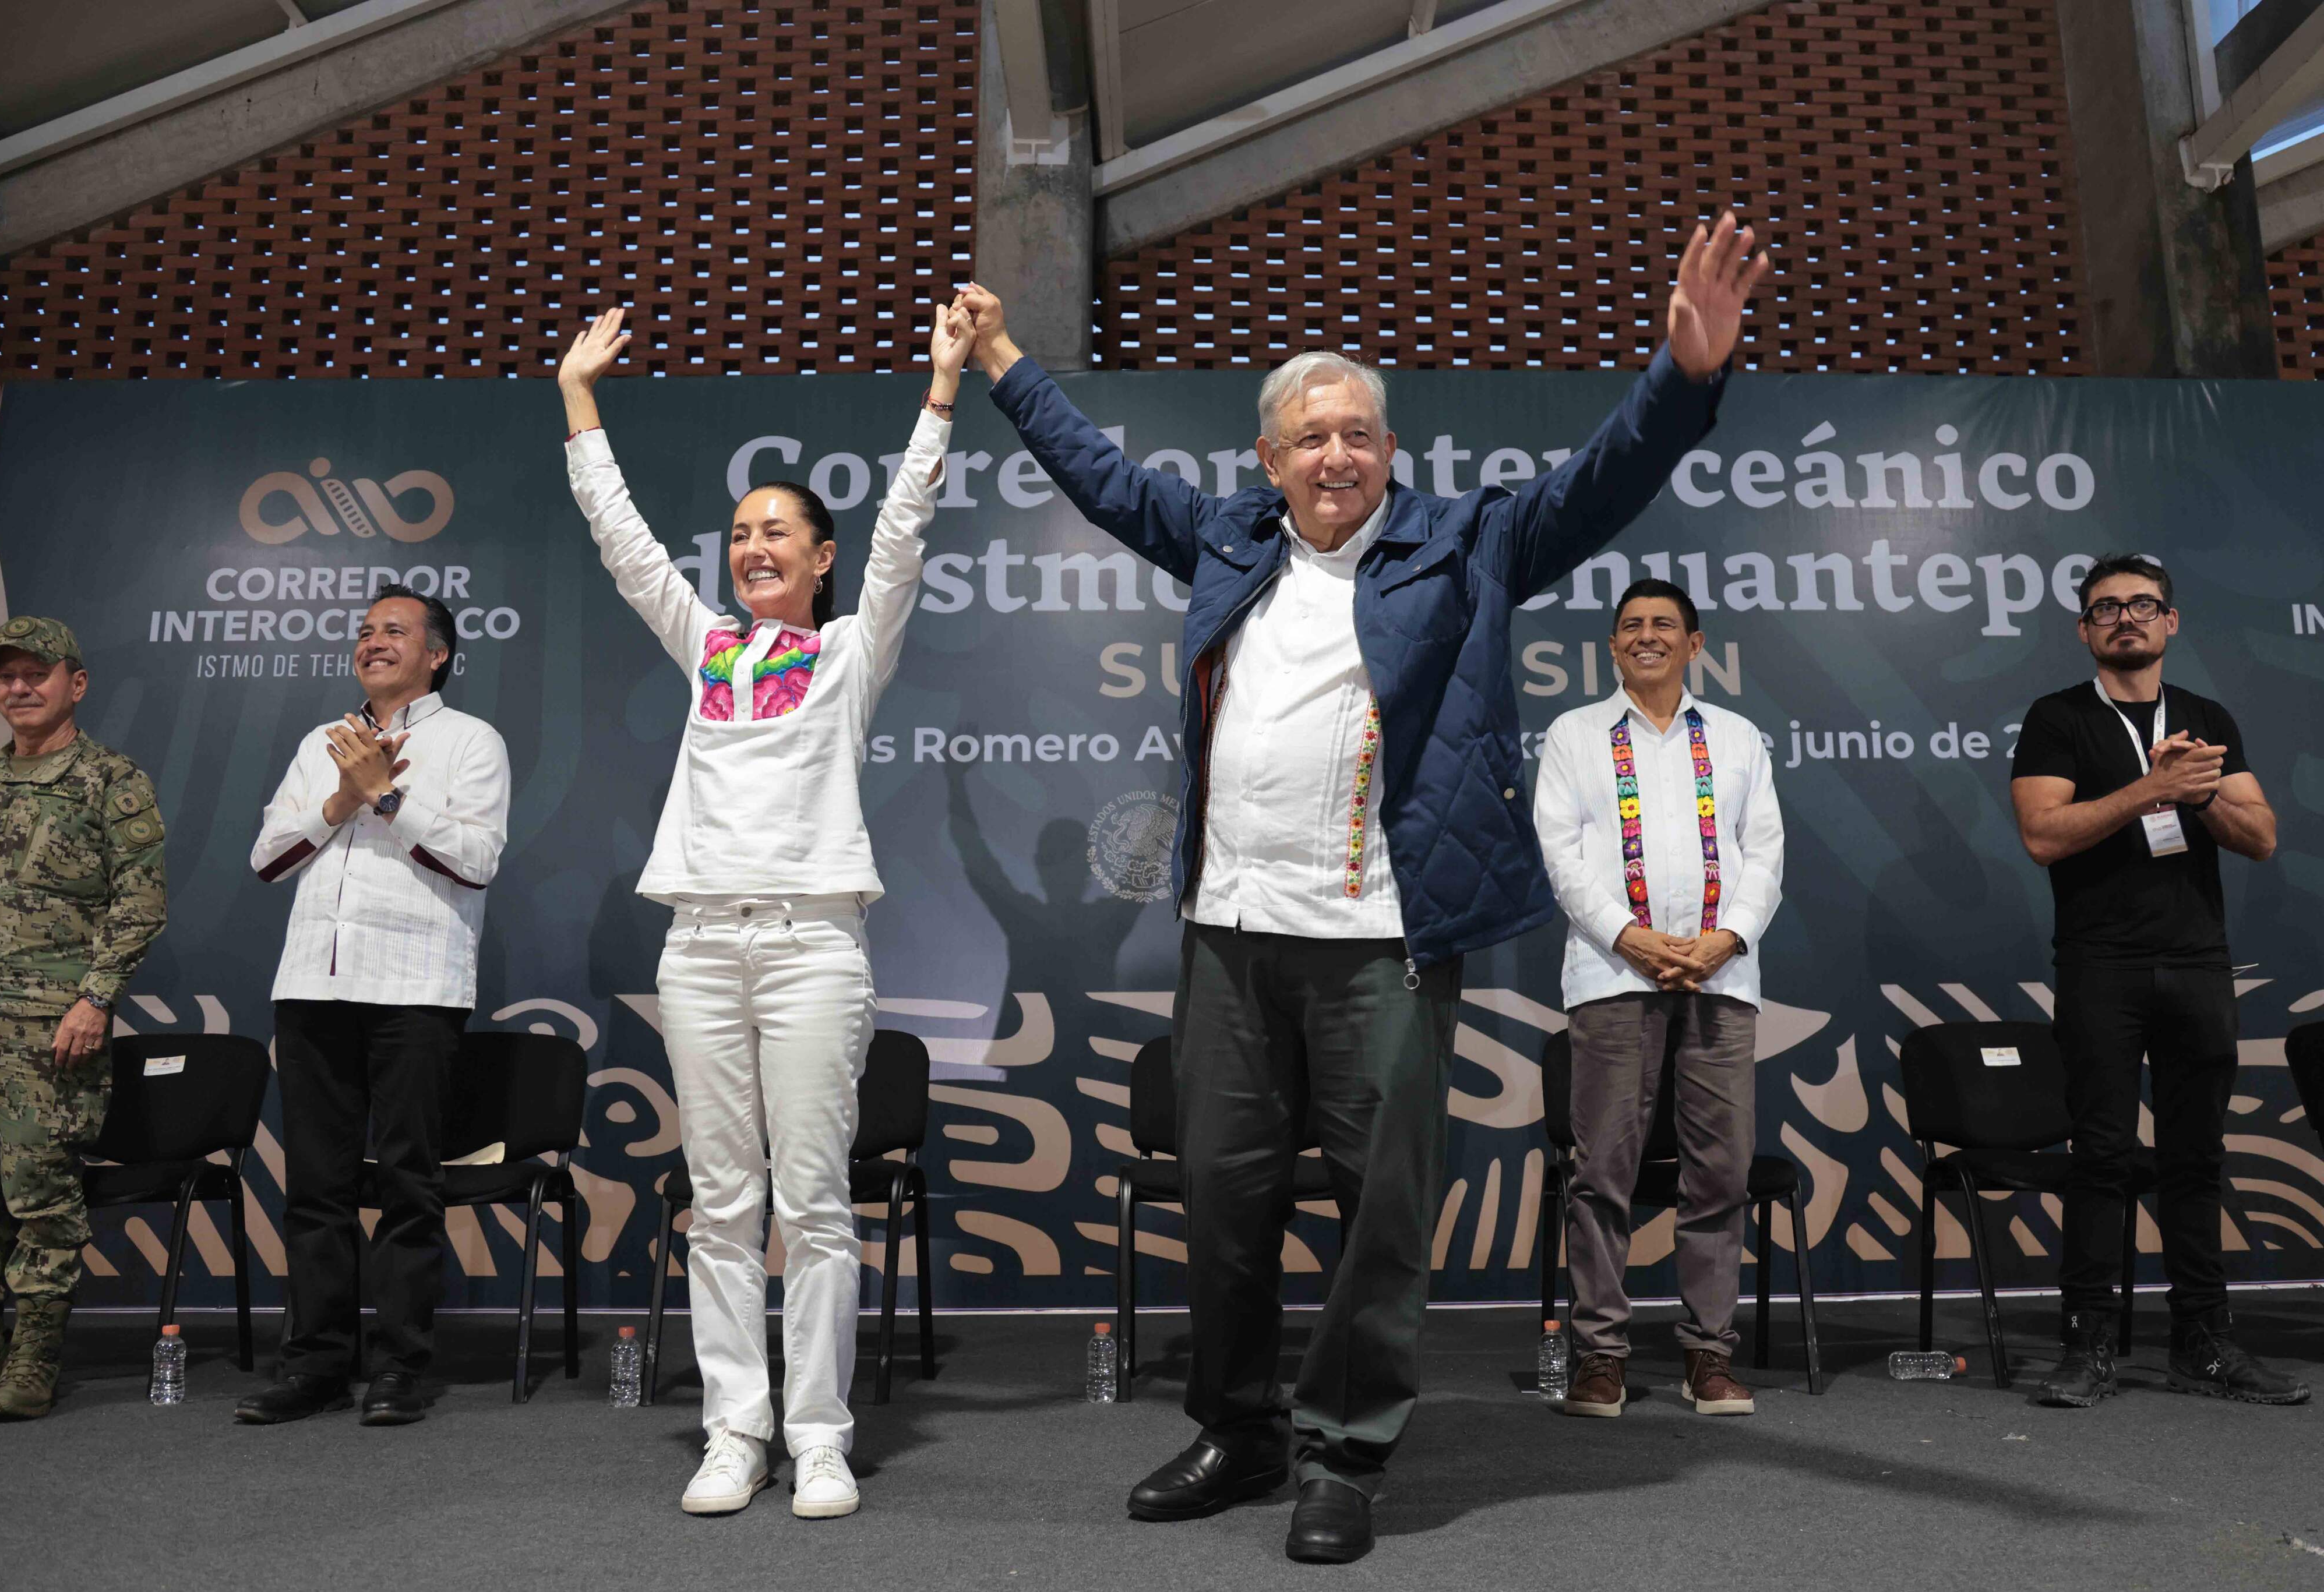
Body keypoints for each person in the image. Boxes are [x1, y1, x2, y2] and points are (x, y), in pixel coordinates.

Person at [958, 210, 1768, 1565]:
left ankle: (1344, 1449)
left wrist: (1682, 383)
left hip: (1381, 944)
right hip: (1228, 938)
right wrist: (1003, 365)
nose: (1335, 454)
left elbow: (1600, 485)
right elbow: (1098, 477)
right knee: (1221, 1196)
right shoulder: (1225, 540)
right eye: (1307, 438)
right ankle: (1238, 1425)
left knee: (1379, 1212)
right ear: (1268, 462)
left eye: (1357, 433)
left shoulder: (1467, 544)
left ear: (1390, 450)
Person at [556, 299, 974, 1520]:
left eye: (777, 530)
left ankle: (824, 1432)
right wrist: (581, 400)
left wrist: (940, 387)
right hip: (698, 944)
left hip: (810, 947)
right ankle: (736, 1427)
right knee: (721, 1201)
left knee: (815, 1199)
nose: (752, 546)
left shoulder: (847, 651)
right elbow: (625, 542)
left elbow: (903, 533)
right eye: (740, 531)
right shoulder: (706, 645)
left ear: (818, 555)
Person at [2011, 554, 2307, 1409]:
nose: (2125, 619)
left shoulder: (2207, 718)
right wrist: (2152, 787)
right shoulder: (2059, 718)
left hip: (2198, 963)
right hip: (2103, 962)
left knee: (2194, 1159)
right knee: (2100, 1155)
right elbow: (2042, 834)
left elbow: (2261, 836)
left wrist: (2197, 789)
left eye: (2142, 605)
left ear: (2171, 622)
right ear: (2085, 630)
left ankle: (2204, 1345)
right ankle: (2088, 1346)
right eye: (2106, 608)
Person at [238, 589, 511, 1427]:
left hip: (415, 987)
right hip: (312, 986)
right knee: (315, 1186)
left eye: (394, 631)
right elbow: (266, 858)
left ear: (437, 654)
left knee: (405, 1182)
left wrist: (388, 796)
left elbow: (476, 859)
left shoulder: (472, 741)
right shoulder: (321, 743)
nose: (373, 642)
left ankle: (399, 1365)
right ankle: (315, 1361)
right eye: (364, 632)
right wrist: (346, 794)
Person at [1532, 580, 1782, 1420]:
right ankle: (1601, 1356)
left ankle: (1708, 1356)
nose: (1647, 636)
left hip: (1722, 978)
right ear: (1612, 647)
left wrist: (1726, 939)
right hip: (1612, 977)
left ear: (1694, 643)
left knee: (1720, 1172)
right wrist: (1630, 938)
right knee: (1602, 1170)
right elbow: (1561, 854)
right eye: (1631, 626)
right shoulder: (1575, 734)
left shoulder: (1741, 738)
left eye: (1663, 625)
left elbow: (1766, 851)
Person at [0, 616, 168, 1420]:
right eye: (7, 676)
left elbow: (141, 903)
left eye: (37, 673)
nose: (19, 688)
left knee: (41, 1195)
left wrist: (96, 997)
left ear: (77, 683)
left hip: (51, 1026)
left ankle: (33, 1357)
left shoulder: (110, 780)